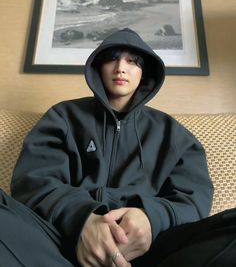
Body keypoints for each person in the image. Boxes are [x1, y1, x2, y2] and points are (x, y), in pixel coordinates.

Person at [0, 28, 235, 266]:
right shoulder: (62, 117)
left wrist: (151, 218)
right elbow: (33, 181)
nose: (120, 67)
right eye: (112, 58)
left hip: (153, 252)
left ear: (144, 73)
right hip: (60, 245)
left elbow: (193, 198)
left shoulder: (173, 134)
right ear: (98, 67)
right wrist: (83, 220)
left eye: (132, 61)